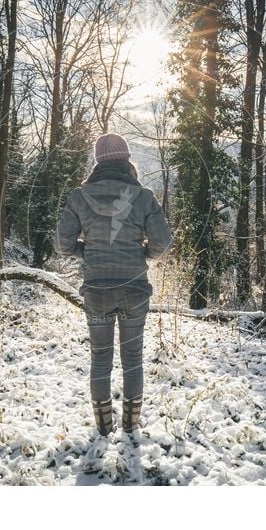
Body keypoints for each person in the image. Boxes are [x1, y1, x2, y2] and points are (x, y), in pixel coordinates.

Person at [54, 133, 173, 436]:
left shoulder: (78, 197)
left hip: (96, 289)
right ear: (126, 158)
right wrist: (140, 253)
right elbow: (162, 244)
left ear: (98, 161)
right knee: (132, 358)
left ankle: (104, 427)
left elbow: (63, 245)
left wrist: (89, 251)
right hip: (134, 287)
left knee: (100, 357)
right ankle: (131, 426)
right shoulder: (144, 196)